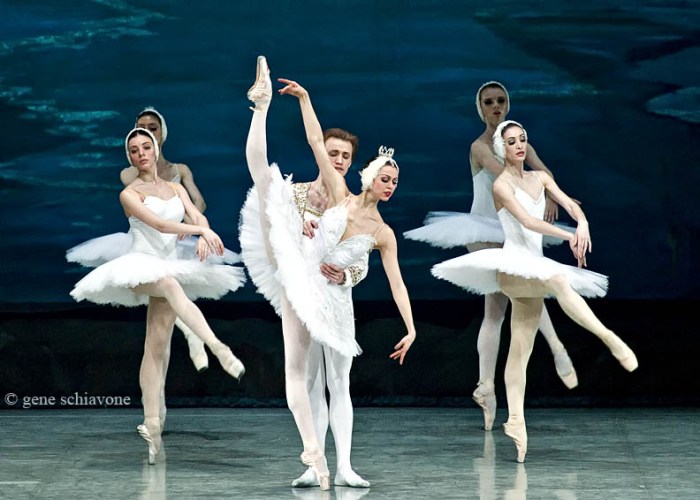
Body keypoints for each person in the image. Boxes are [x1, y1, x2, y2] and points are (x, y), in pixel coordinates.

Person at [241, 55, 416, 489]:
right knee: (310, 378)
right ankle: (313, 457)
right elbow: (316, 140)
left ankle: (344, 466)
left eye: (344, 155)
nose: (336, 159)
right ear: (370, 177)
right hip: (303, 285)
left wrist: (410, 327)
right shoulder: (312, 193)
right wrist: (304, 99)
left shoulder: (379, 226)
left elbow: (390, 277)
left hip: (337, 296)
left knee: (339, 381)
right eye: (333, 154)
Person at [432, 120, 638, 462]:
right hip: (513, 268)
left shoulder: (540, 178)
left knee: (521, 349)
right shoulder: (501, 186)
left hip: (535, 265)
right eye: (511, 141)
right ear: (502, 148)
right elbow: (528, 223)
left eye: (523, 139)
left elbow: (569, 203)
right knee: (559, 281)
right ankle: (609, 338)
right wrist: (568, 235)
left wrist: (582, 221)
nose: (519, 145)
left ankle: (514, 419)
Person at [404, 81, 578, 432]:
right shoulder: (481, 147)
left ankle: (486, 388)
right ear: (480, 108)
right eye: (489, 102)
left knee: (497, 308)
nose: (495, 107)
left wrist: (552, 196)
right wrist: (543, 194)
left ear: (507, 105)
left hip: (512, 231)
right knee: (521, 287)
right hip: (482, 230)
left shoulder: (518, 142)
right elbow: (511, 183)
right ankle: (557, 348)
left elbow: (543, 174)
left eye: (500, 101)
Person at [71, 127, 246, 464]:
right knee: (167, 285)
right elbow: (162, 227)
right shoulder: (130, 194)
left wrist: (204, 229)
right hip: (140, 266)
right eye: (134, 150)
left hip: (167, 264)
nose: (141, 154)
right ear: (130, 157)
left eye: (145, 147)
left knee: (157, 345)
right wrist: (199, 230)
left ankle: (153, 427)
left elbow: (197, 215)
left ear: (155, 149)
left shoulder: (176, 187)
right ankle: (217, 347)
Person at [67, 107, 233, 373]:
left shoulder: (180, 171)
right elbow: (150, 212)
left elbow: (197, 203)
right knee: (163, 289)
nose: (143, 147)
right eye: (137, 142)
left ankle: (192, 343)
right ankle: (198, 338)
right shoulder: (129, 175)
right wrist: (187, 224)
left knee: (169, 300)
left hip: (178, 235)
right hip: (146, 240)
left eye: (152, 129)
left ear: (161, 135)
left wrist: (193, 226)